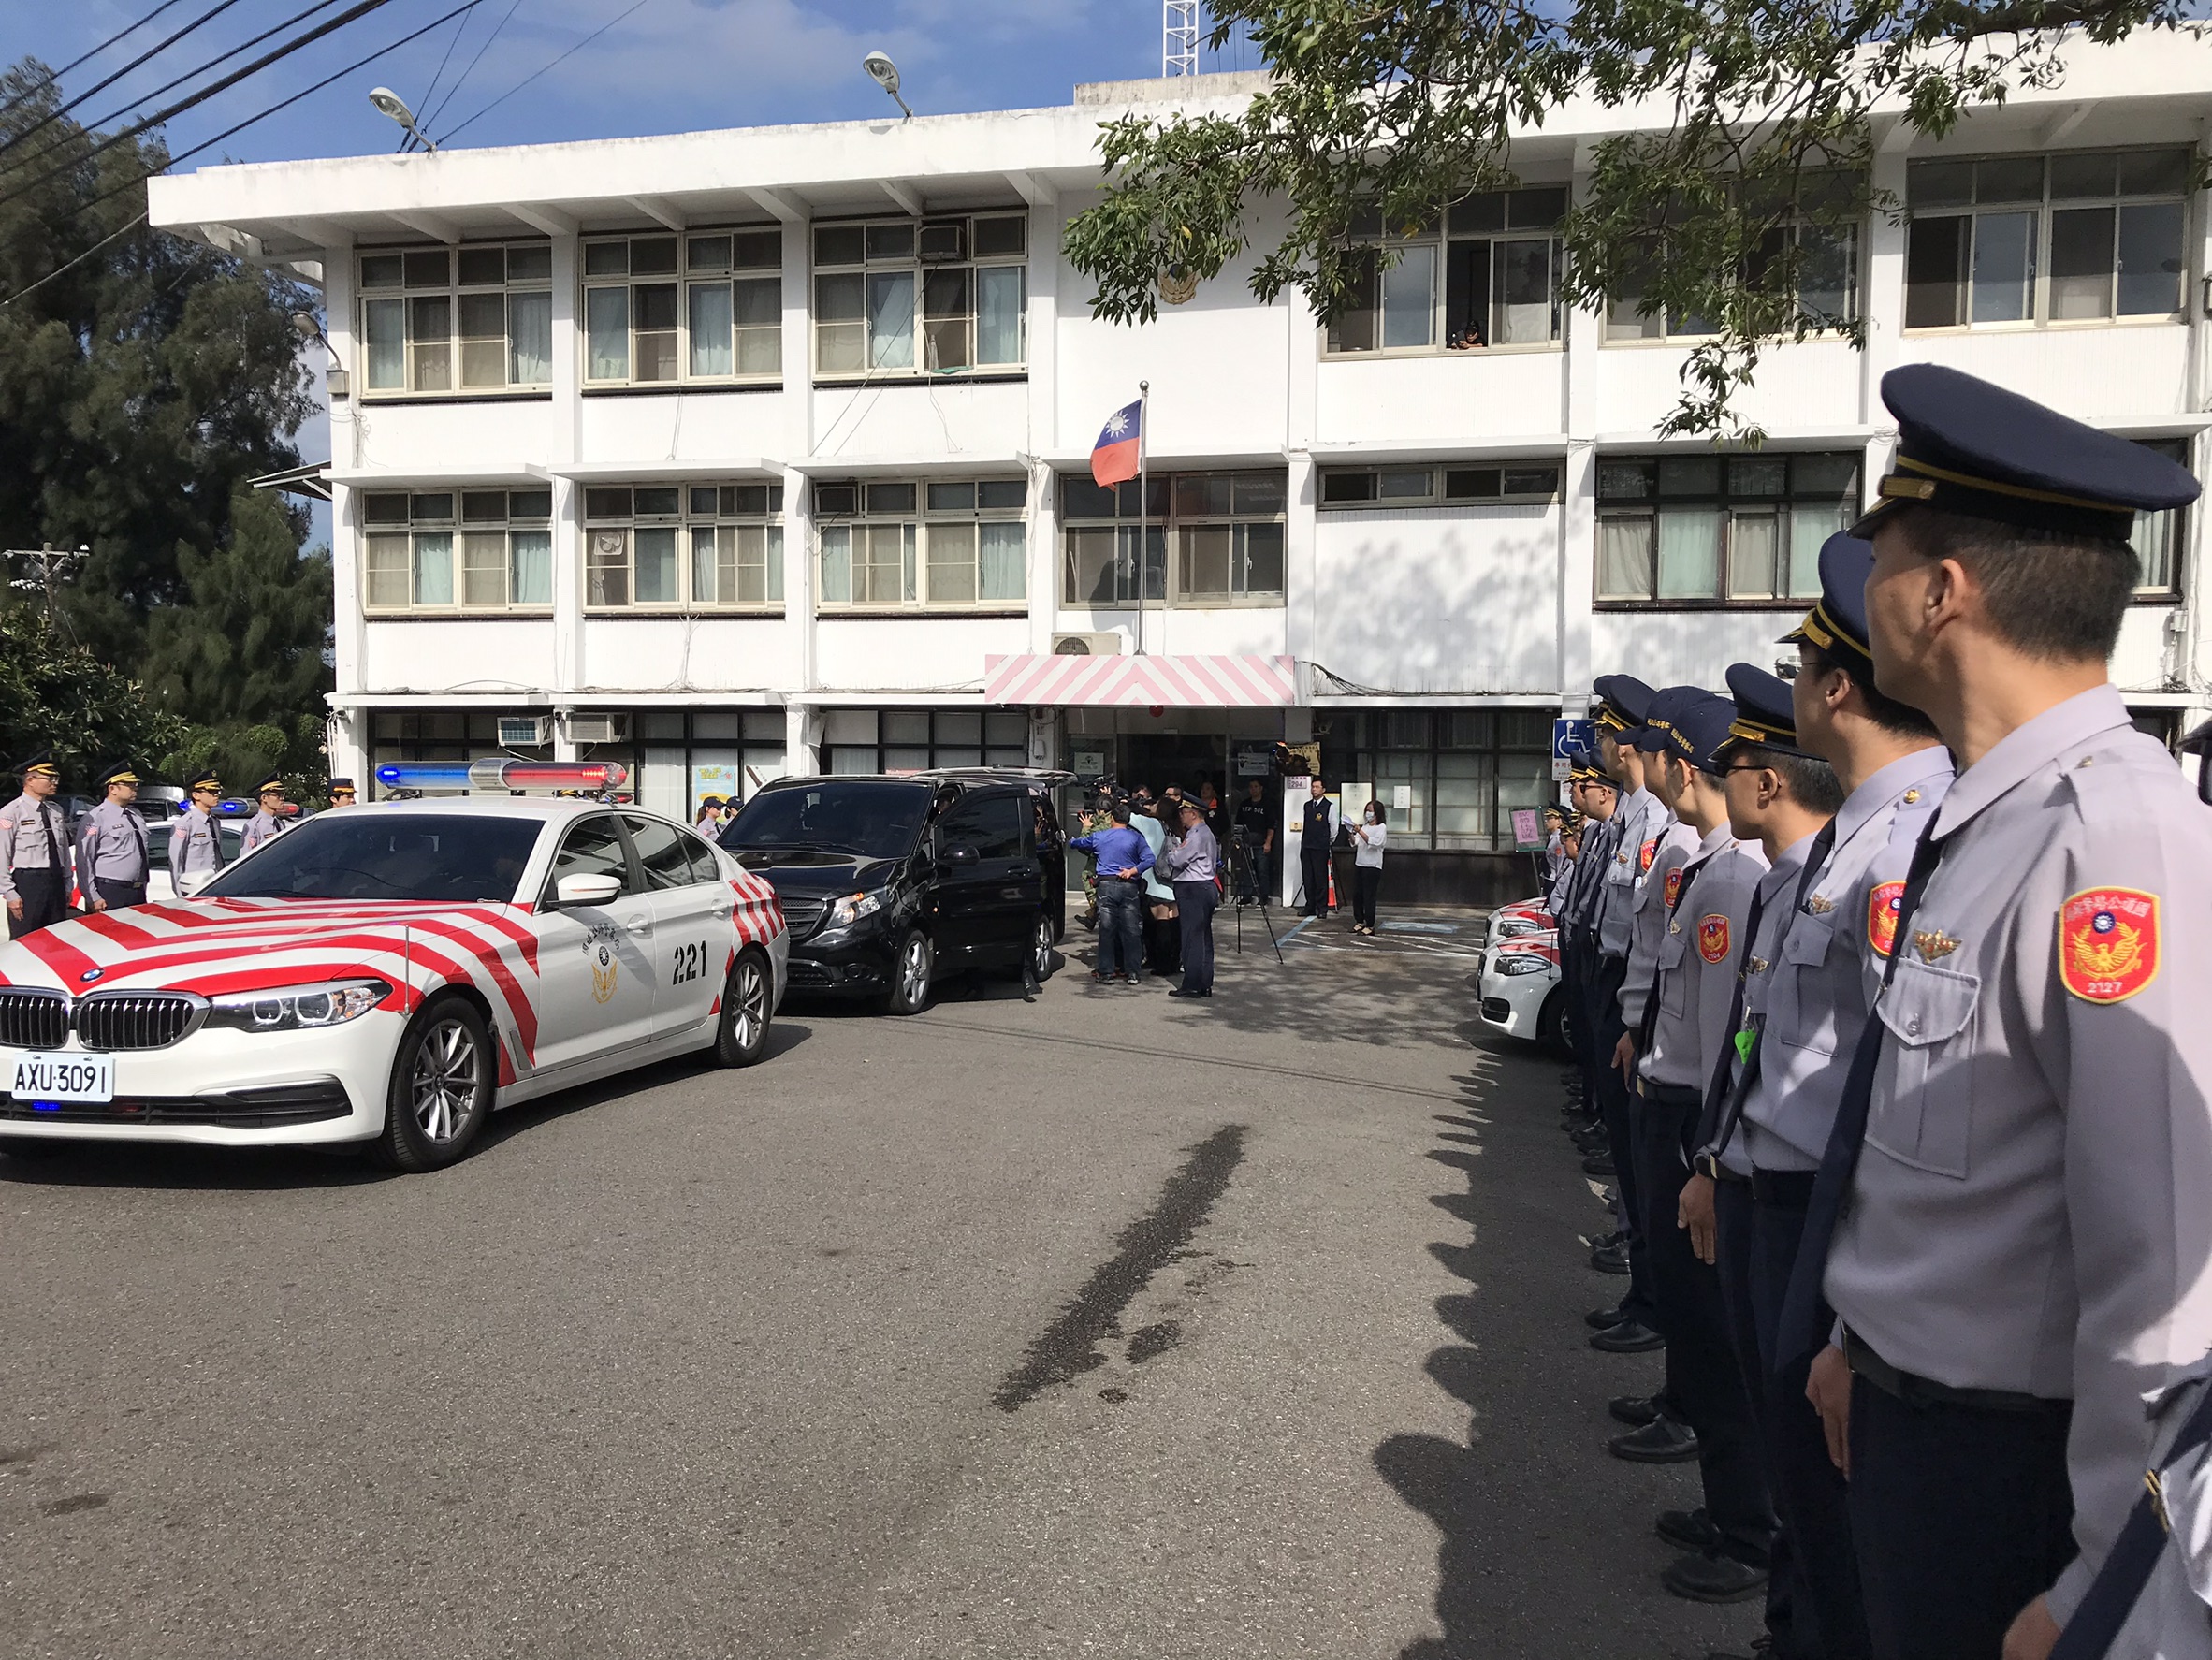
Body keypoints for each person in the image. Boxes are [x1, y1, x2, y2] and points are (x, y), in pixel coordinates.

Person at [1783, 363, 2212, 1660]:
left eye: (1881, 556)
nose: (1866, 591)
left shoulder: (2116, 843)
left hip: (2023, 1482)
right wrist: (1863, 1333)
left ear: (1938, 594)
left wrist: (2107, 1588)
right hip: (1915, 1420)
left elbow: (2170, 1281)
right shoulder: (1987, 819)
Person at [1684, 536, 1951, 1660]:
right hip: (1772, 1186)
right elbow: (1766, 1029)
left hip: (1820, 1217)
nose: (1787, 690)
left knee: (1834, 1505)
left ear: (1836, 687)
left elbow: (1901, 1083)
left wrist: (1853, 1309)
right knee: (1803, 1479)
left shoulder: (1902, 847)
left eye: (1797, 669)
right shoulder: (1843, 841)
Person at [1622, 685, 1780, 1608]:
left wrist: (1712, 1156)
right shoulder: (1712, 868)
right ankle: (1731, 1511)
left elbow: (1735, 1038)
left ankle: (1746, 1527)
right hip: (1684, 1104)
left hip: (1704, 1123)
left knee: (1719, 1338)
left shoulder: (1730, 877)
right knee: (1699, 1322)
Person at [1067, 799, 1153, 984]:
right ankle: (1133, 972)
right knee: (1131, 930)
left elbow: (1078, 844)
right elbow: (1149, 859)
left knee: (1107, 930)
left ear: (1112, 817)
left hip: (1105, 886)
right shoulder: (1136, 838)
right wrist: (1132, 871)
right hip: (1129, 885)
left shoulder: (1101, 836)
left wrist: (1074, 838)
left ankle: (1106, 971)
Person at [0, 751, 70, 938]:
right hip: (28, 882)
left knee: (56, 938)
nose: (54, 782)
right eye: (49, 778)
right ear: (30, 780)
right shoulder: (11, 812)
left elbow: (63, 851)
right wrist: (10, 893)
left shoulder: (55, 811)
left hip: (55, 881)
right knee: (26, 939)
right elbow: (2, 854)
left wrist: (67, 883)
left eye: (55, 778)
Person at [1163, 797, 1219, 998]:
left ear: (1193, 813)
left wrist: (1172, 852)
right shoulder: (1205, 833)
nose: (1181, 816)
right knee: (1203, 937)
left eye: (1183, 812)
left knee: (1192, 938)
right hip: (1203, 887)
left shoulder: (1196, 835)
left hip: (1193, 888)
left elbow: (1177, 859)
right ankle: (1204, 982)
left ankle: (1193, 984)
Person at [77, 760, 151, 912]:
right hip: (110, 890)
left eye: (135, 784)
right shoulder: (96, 818)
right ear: (112, 788)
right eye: (129, 785)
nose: (135, 788)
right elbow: (85, 860)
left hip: (137, 891)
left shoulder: (136, 815)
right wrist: (93, 896)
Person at [1130, 788, 1180, 976]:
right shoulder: (1177, 827)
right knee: (1174, 923)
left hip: (1155, 882)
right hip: (1174, 882)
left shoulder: (1151, 824)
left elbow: (1128, 817)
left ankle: (1161, 964)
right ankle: (1175, 962)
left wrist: (1134, 804)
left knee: (1159, 925)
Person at [170, 769, 226, 886]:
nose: (216, 795)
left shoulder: (215, 822)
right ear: (196, 795)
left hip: (215, 884)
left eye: (217, 791)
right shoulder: (185, 824)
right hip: (195, 887)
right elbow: (176, 861)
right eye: (211, 791)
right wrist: (181, 893)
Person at [1297, 777, 1339, 917]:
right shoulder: (1307, 805)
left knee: (1320, 878)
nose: (1314, 789)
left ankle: (1322, 908)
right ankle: (1310, 906)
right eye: (1312, 787)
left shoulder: (1329, 806)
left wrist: (1328, 841)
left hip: (1320, 847)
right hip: (1307, 845)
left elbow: (1334, 827)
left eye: (1317, 787)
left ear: (1323, 790)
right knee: (1308, 878)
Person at [1233, 777, 1274, 903]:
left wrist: (1268, 842)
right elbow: (1238, 824)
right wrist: (1237, 840)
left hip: (1261, 843)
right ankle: (1246, 896)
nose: (1253, 789)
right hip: (1246, 843)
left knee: (1262, 871)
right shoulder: (1244, 804)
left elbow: (1271, 826)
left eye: (1256, 787)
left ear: (1261, 788)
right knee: (1246, 871)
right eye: (1251, 787)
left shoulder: (1267, 805)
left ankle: (1263, 897)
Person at [1349, 799, 1387, 934]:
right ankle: (1359, 921)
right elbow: (1356, 842)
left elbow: (1375, 843)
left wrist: (1360, 832)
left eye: (1370, 810)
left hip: (1372, 865)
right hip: (1360, 863)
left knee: (1369, 895)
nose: (1368, 813)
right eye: (1367, 810)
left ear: (1377, 813)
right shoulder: (1365, 826)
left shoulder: (1381, 827)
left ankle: (1370, 925)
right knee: (1357, 894)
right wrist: (1352, 833)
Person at [240, 773, 288, 855]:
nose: (282, 798)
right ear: (264, 798)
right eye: (278, 795)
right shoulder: (254, 826)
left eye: (282, 795)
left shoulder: (280, 824)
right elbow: (247, 858)